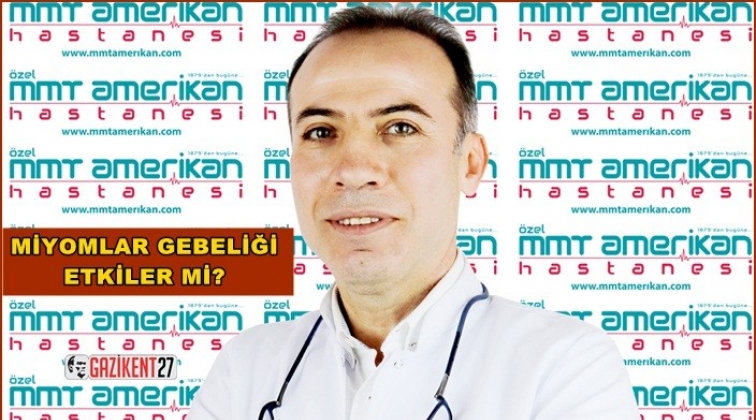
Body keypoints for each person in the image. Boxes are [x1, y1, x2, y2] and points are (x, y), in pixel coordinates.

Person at [187, 7, 640, 420]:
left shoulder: (564, 364)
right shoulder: (245, 368)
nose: (354, 170)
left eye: (401, 127)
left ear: (470, 163)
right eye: (321, 132)